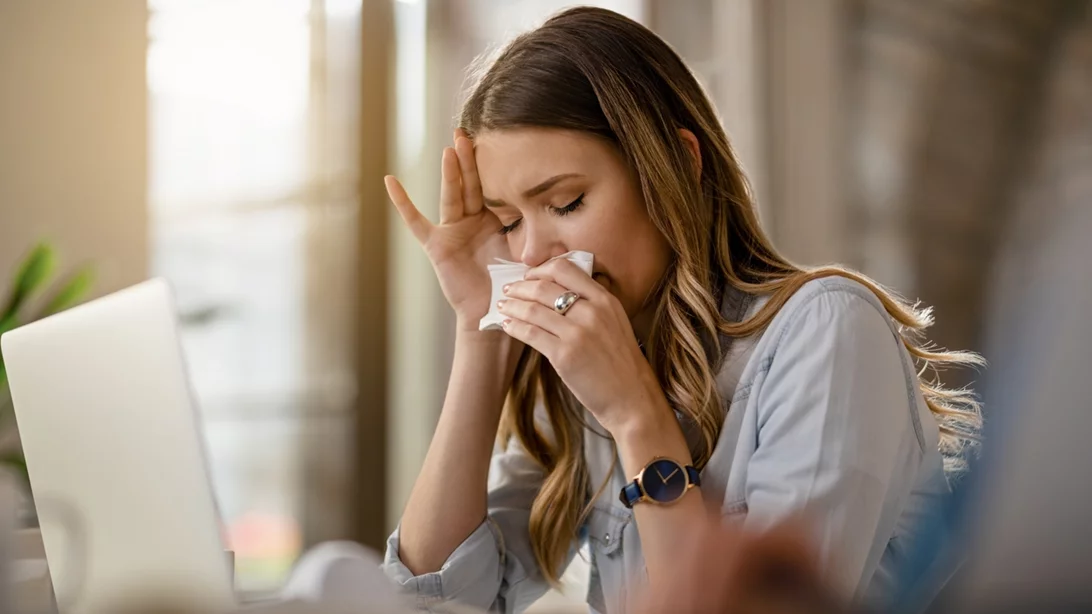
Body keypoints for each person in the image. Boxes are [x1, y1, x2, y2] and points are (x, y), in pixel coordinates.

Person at [379, 7, 980, 614]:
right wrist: (480, 330)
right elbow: (434, 598)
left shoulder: (826, 332)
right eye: (509, 222)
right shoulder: (588, 364)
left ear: (677, 164)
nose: (533, 254)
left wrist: (636, 416)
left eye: (565, 203)